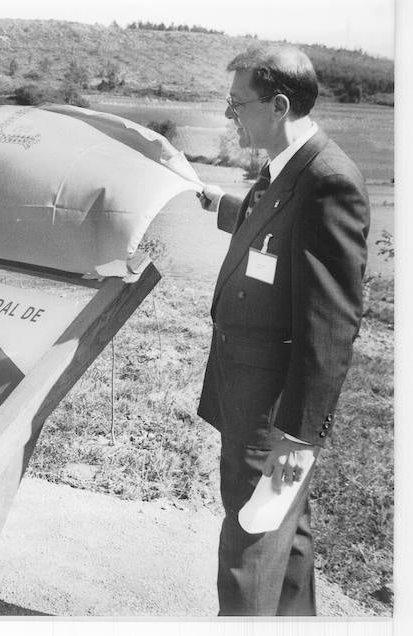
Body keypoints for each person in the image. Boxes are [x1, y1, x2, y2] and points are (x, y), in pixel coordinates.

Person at [195, 47, 370, 615]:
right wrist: (219, 204)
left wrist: (296, 441)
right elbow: (270, 227)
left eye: (236, 103)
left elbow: (332, 324)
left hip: (275, 418)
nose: (229, 115)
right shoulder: (286, 167)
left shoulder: (326, 179)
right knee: (287, 542)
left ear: (278, 104)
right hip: (249, 395)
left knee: (249, 542)